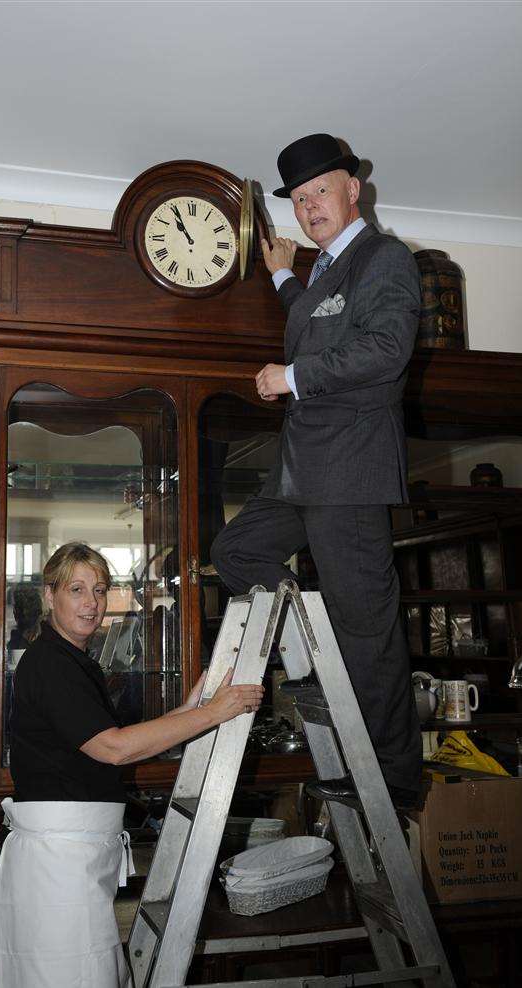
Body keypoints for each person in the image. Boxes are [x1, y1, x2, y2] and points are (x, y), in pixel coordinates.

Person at [211, 133, 422, 810]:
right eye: (298, 201)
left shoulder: (382, 259)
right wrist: (281, 277)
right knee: (234, 550)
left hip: (350, 474)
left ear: (352, 188)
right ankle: (311, 631)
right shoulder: (325, 274)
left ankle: (389, 780)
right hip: (300, 475)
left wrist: (293, 376)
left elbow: (385, 348)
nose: (308, 208)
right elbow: (315, 319)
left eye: (318, 192)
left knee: (369, 638)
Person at [0, 541, 263, 988]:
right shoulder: (51, 664)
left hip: (73, 859)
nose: (92, 604)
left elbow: (116, 742)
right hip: (57, 868)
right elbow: (113, 749)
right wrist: (213, 713)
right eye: (77, 589)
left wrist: (191, 708)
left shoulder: (73, 661)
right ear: (49, 595)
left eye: (99, 590)